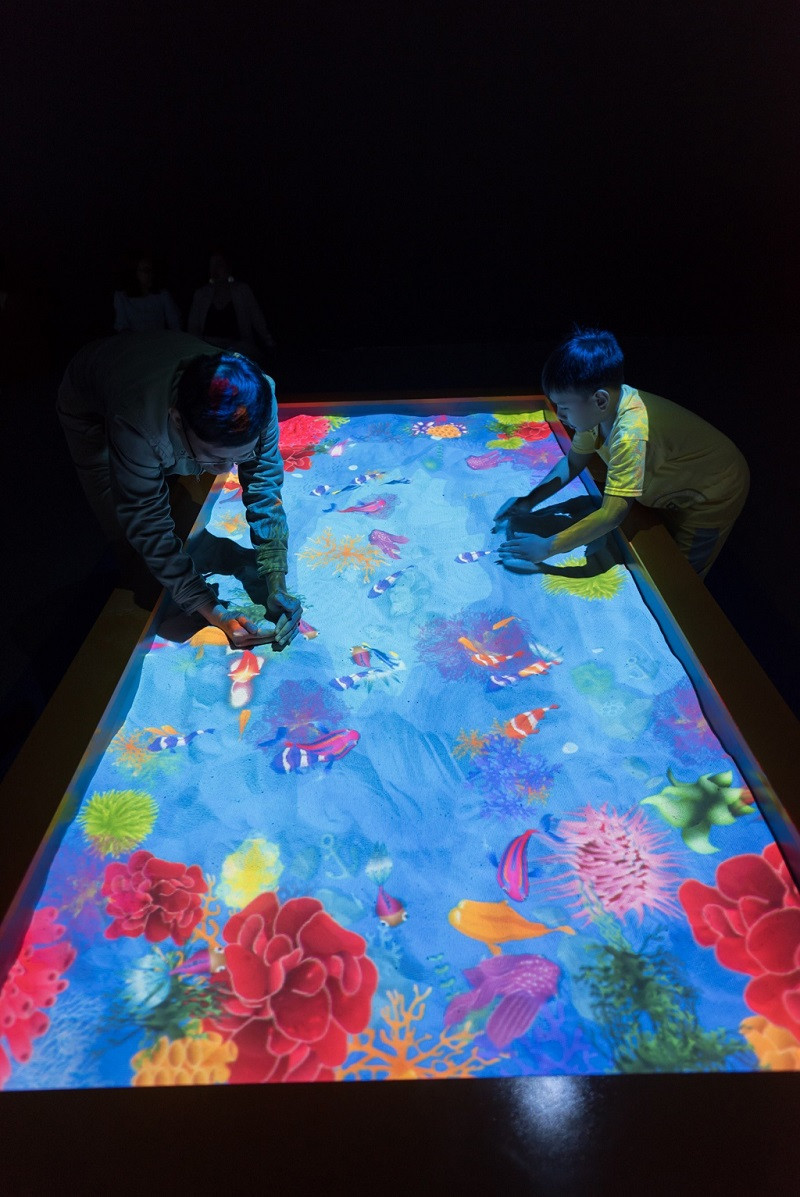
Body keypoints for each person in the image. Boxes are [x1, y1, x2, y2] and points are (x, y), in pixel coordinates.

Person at [56, 330, 301, 648]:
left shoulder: (258, 398)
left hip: (153, 364)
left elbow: (263, 482)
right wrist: (212, 610)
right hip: (89, 401)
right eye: (215, 457)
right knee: (126, 535)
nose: (225, 470)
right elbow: (147, 523)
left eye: (238, 457)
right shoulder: (136, 422)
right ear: (176, 420)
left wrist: (275, 575)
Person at [494, 329, 749, 580]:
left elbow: (611, 515)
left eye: (564, 407)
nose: (559, 414)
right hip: (673, 480)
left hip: (715, 489)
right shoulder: (596, 412)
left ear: (600, 400)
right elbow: (573, 462)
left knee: (683, 574)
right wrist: (529, 500)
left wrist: (548, 547)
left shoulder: (629, 434)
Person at [187, 251, 275, 365]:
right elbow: (193, 327)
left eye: (219, 264)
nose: (215, 270)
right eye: (211, 265)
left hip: (239, 352)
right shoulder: (201, 295)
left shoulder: (242, 291)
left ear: (228, 267)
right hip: (209, 352)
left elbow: (257, 319)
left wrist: (269, 342)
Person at [113, 253, 182, 333]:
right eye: (146, 270)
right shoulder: (121, 297)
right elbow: (122, 326)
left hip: (159, 339)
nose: (150, 274)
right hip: (134, 340)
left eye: (151, 270)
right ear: (134, 273)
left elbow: (174, 323)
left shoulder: (162, 295)